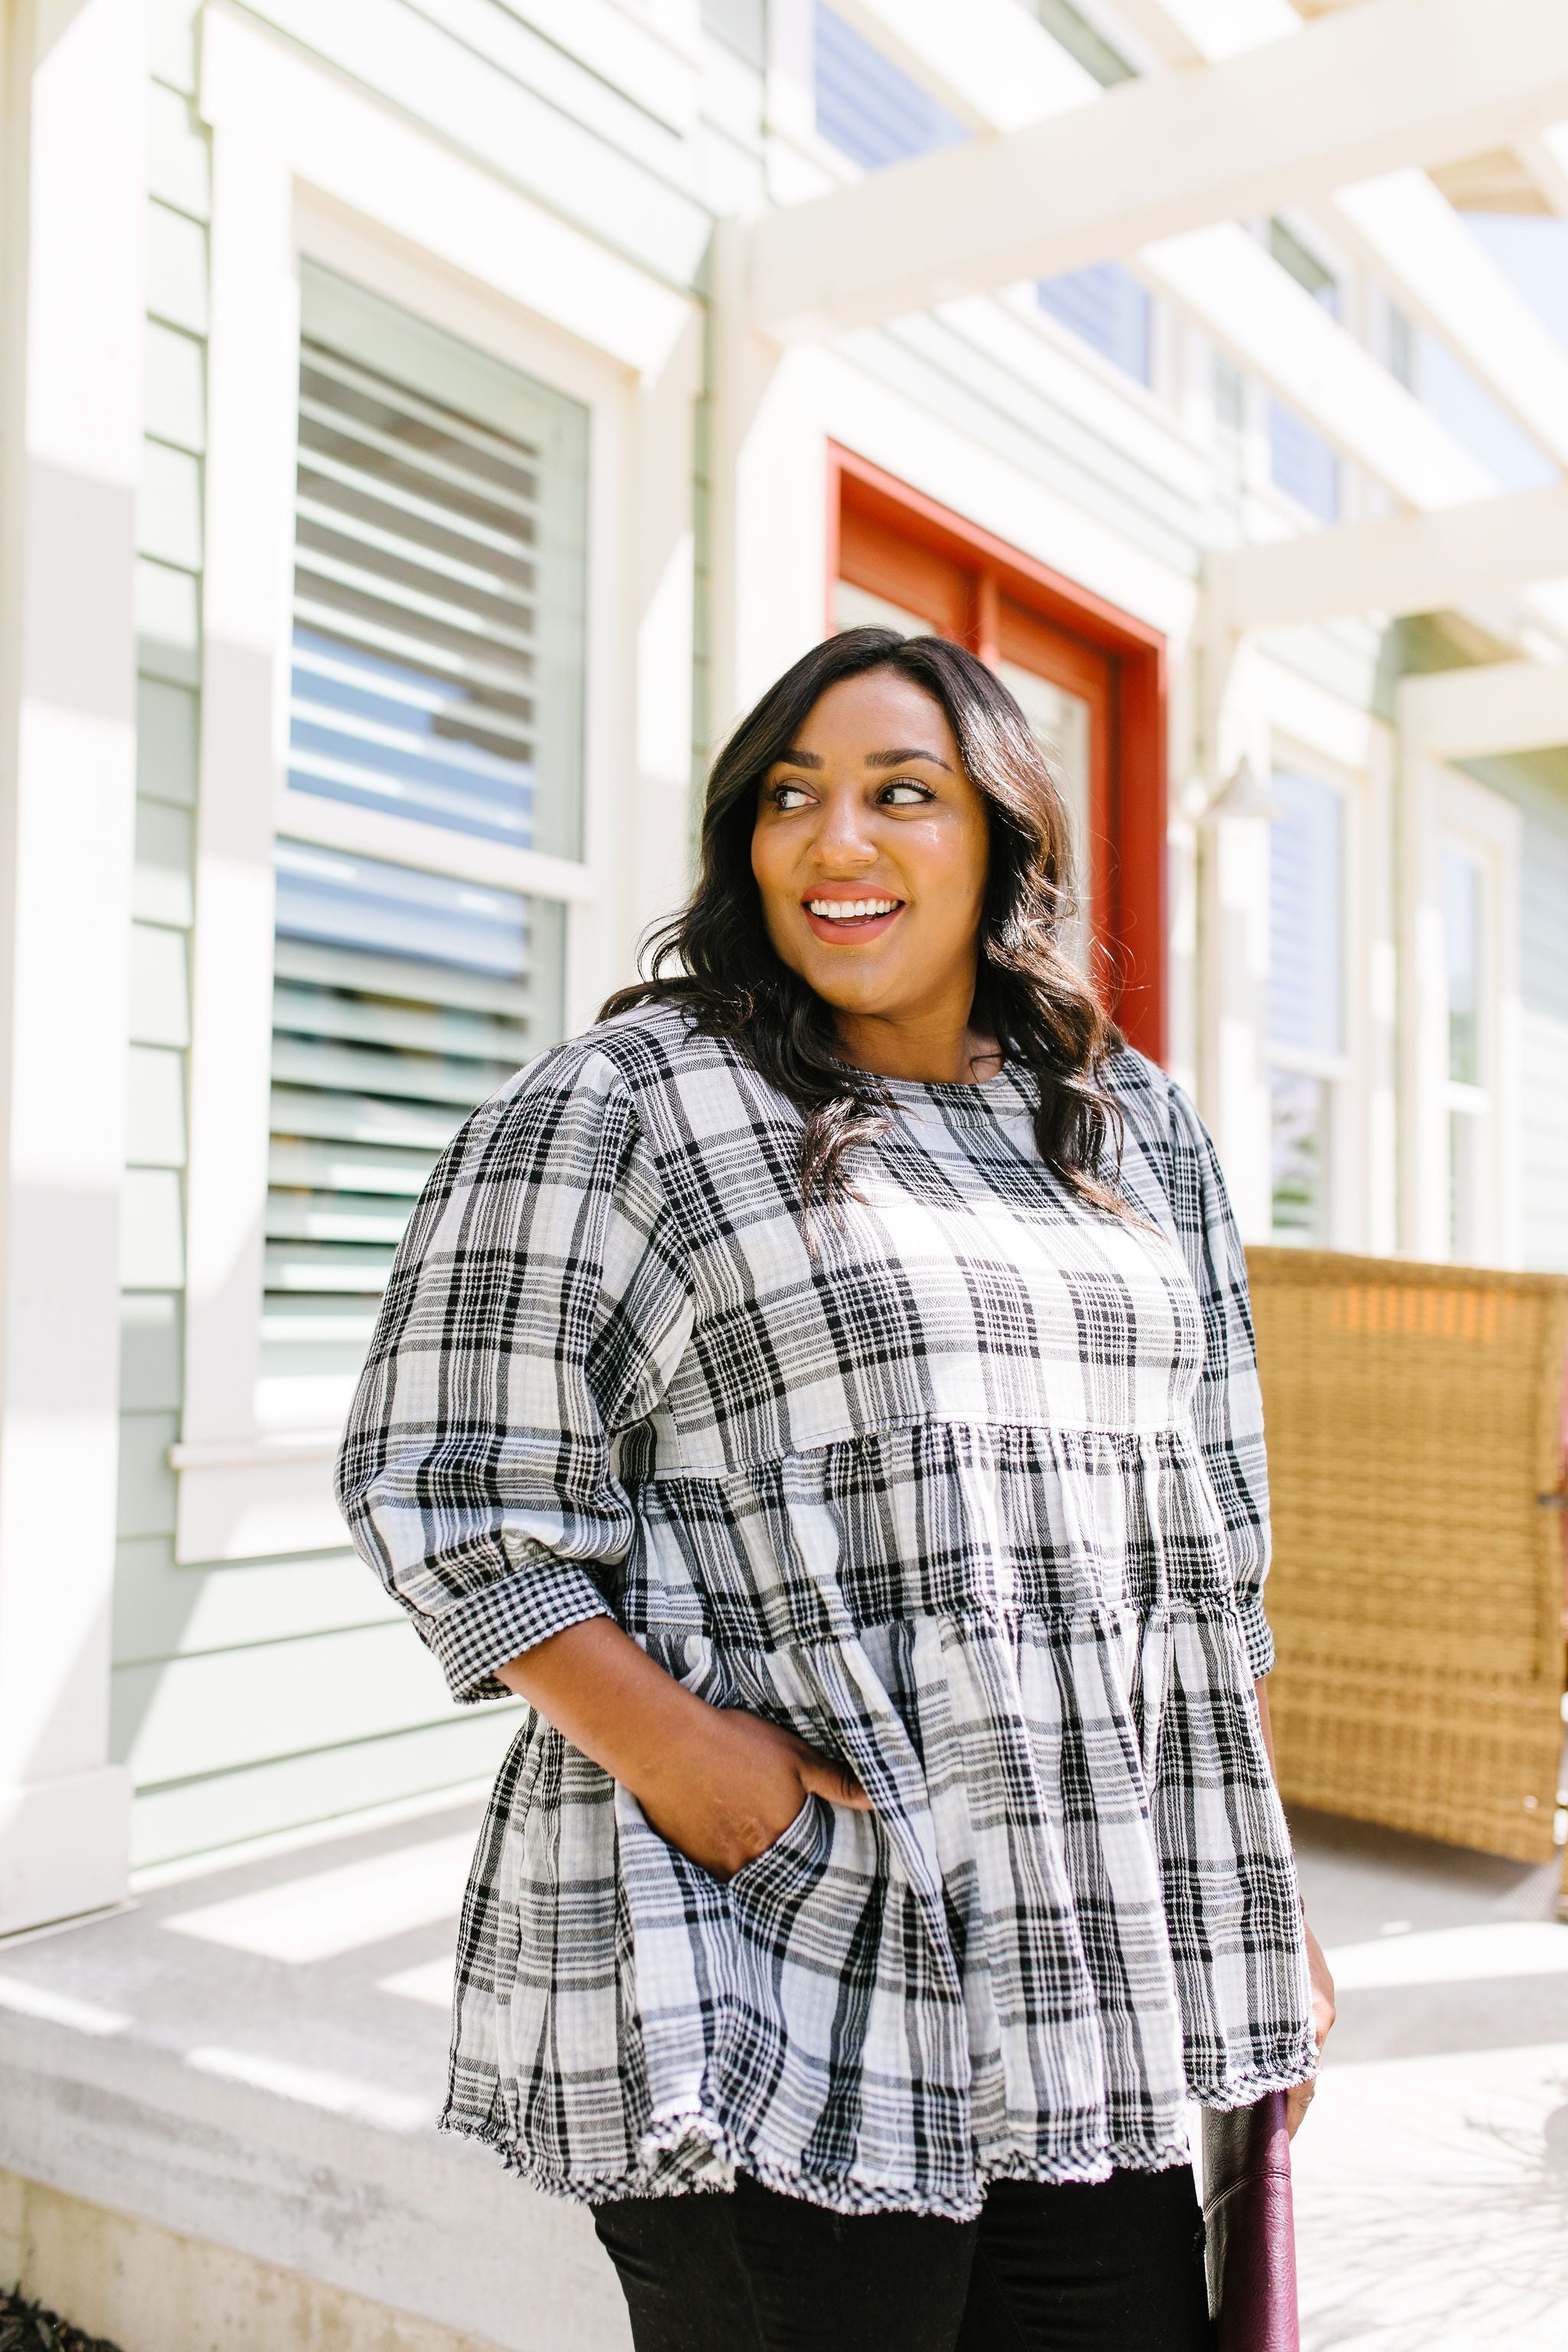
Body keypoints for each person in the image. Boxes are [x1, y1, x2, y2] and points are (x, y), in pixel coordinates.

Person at [337, 628, 1335, 2351]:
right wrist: (691, 1764)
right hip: (775, 1938)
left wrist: (1261, 1907)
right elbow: (441, 1478)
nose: (835, 841)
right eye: (788, 797)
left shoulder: (1126, 1125)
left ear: (1002, 843)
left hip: (1081, 1947)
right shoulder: (628, 1100)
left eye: (901, 793)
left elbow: (1210, 1547)